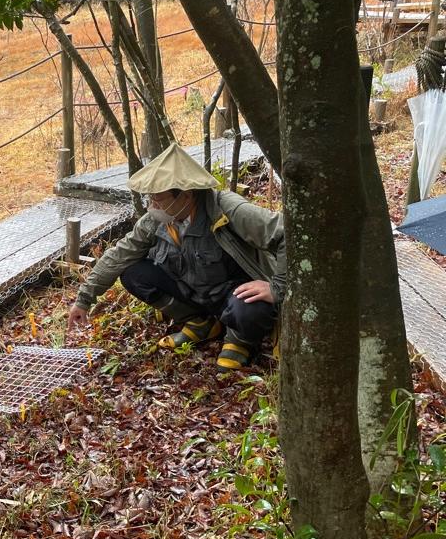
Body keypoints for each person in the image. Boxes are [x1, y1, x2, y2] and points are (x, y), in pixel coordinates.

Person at [67, 143, 285, 372]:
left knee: (252, 306)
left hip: (233, 293)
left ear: (186, 195)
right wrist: (84, 299)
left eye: (158, 200)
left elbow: (285, 235)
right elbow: (119, 255)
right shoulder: (157, 220)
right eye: (150, 200)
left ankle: (240, 341)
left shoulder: (226, 209)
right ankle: (201, 322)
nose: (153, 206)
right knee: (133, 273)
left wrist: (277, 287)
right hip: (193, 292)